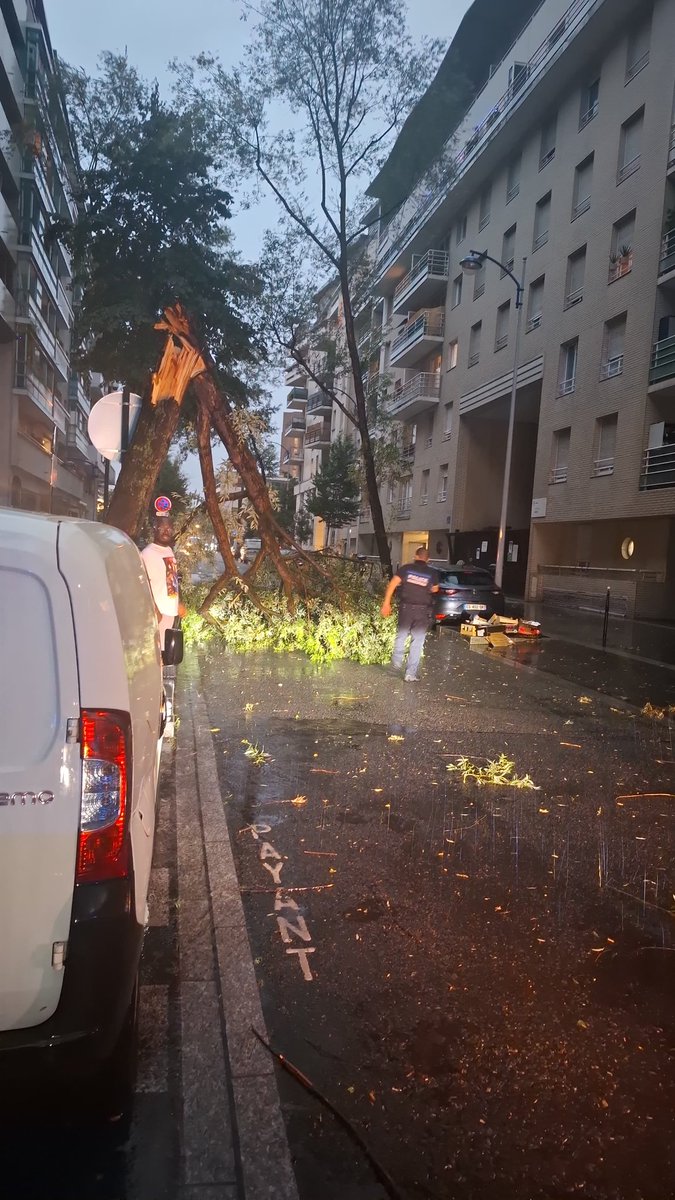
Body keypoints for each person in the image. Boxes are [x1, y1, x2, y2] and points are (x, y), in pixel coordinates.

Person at [380, 545, 439, 682]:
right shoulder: (432, 573)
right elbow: (435, 589)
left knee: (401, 635)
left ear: (416, 556)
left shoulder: (406, 569)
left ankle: (396, 663)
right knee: (417, 641)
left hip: (406, 608)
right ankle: (410, 674)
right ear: (428, 559)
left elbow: (392, 584)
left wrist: (386, 603)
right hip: (422, 610)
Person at [141, 514, 185, 654]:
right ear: (155, 528)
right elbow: (143, 585)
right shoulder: (147, 554)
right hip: (157, 615)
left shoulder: (168, 551)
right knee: (154, 655)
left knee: (164, 656)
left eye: (169, 529)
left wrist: (178, 602)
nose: (166, 531)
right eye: (162, 528)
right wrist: (154, 610)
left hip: (169, 612)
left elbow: (172, 580)